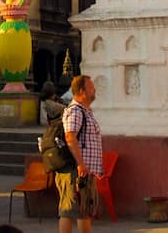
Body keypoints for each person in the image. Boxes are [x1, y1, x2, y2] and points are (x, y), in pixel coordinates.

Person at [58, 75, 102, 233]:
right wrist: (80, 164)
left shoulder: (85, 111)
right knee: (68, 210)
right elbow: (70, 137)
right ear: (82, 91)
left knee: (84, 210)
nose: (94, 90)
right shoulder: (76, 111)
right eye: (91, 87)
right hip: (75, 170)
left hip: (84, 171)